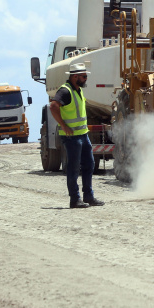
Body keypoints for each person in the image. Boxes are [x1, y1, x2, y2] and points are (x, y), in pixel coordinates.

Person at [50, 62, 105, 208]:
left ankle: (89, 197)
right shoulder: (65, 91)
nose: (86, 79)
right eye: (84, 76)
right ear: (75, 77)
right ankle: (75, 200)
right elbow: (53, 106)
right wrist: (63, 125)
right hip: (71, 137)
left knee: (89, 164)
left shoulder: (78, 90)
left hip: (82, 135)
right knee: (74, 168)